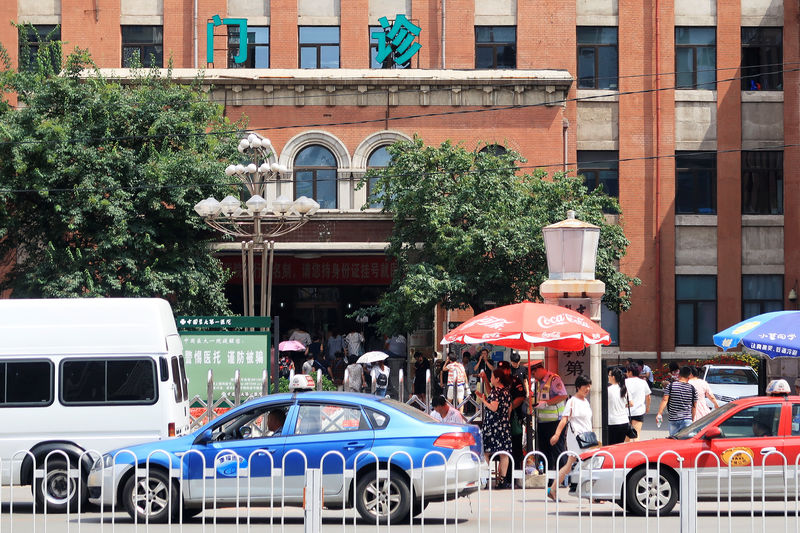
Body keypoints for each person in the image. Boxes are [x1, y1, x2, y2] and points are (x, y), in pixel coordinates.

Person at [548, 374, 594, 501]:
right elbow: (564, 419)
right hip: (576, 438)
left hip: (586, 437)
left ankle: (553, 489)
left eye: (589, 386)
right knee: (588, 464)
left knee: (569, 465)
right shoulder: (572, 401)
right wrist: (557, 435)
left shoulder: (586, 402)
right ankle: (591, 495)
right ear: (578, 387)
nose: (588, 388)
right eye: (585, 386)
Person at [475, 366, 513, 489]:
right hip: (504, 424)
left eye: (492, 377)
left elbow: (493, 407)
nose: (491, 379)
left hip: (492, 425)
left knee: (486, 451)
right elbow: (509, 408)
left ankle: (484, 478)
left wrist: (483, 400)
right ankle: (502, 479)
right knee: (503, 453)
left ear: (497, 379)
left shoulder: (496, 391)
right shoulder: (506, 391)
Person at [531, 362, 568, 474]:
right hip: (542, 422)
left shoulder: (554, 379)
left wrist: (547, 403)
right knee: (544, 451)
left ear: (539, 369)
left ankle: (562, 477)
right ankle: (548, 477)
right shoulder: (538, 383)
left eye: (534, 373)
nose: (533, 376)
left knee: (557, 450)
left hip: (555, 422)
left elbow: (563, 395)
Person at [656, 366, 698, 436]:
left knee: (674, 441)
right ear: (689, 376)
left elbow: (664, 400)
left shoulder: (670, 386)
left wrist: (659, 413)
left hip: (673, 419)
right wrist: (692, 418)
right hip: (687, 419)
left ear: (679, 375)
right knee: (686, 440)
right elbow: (694, 406)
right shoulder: (693, 389)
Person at [625, 363, 651, 442]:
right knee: (637, 434)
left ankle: (626, 453)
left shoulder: (624, 382)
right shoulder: (643, 382)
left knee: (626, 437)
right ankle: (636, 453)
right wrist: (647, 407)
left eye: (627, 371)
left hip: (626, 412)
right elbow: (648, 396)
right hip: (638, 411)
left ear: (630, 372)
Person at [607, 367, 631, 445]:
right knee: (620, 445)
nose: (608, 377)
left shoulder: (608, 390)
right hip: (624, 421)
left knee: (611, 446)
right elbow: (630, 403)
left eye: (609, 375)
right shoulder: (624, 389)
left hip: (613, 422)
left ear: (613, 377)